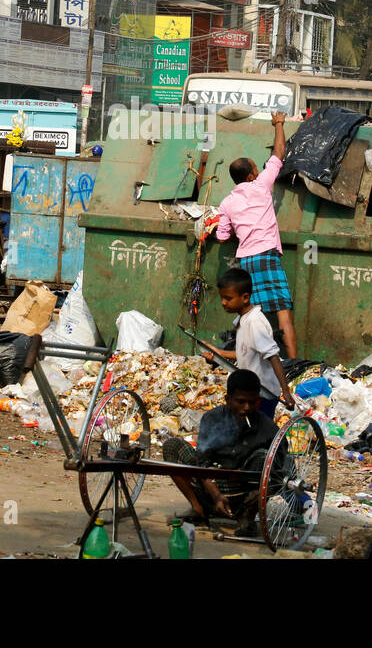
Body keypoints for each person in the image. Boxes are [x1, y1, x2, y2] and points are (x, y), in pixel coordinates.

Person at [213, 111, 298, 357]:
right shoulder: (261, 186)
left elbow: (222, 236)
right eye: (255, 168)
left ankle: (248, 360)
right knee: (283, 313)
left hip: (246, 261)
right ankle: (293, 364)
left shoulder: (227, 203)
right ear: (252, 175)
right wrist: (279, 123)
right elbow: (278, 153)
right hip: (267, 257)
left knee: (251, 316)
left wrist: (238, 232)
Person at [161, 369, 279, 530]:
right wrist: (216, 495)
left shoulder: (267, 427)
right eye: (240, 401)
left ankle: (247, 517)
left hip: (244, 494)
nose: (247, 408)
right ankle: (198, 509)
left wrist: (263, 492)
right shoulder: (212, 418)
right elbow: (202, 461)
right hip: (211, 488)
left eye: (252, 402)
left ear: (258, 400)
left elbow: (283, 468)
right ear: (228, 399)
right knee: (172, 445)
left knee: (266, 457)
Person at [202, 268, 295, 420]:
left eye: (228, 298)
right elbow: (245, 353)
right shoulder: (244, 320)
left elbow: (273, 356)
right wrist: (217, 354)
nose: (223, 303)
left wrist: (285, 391)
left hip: (262, 394)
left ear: (245, 297)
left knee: (257, 434)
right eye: (222, 298)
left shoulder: (254, 322)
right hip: (249, 392)